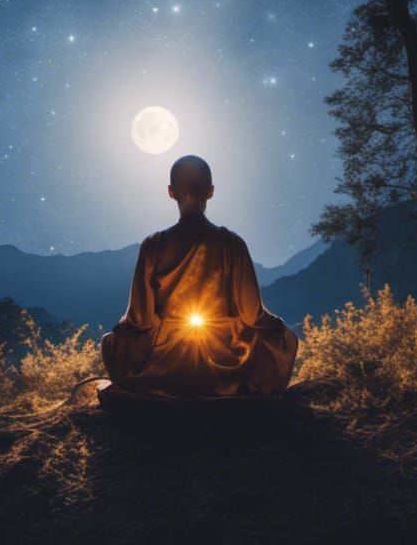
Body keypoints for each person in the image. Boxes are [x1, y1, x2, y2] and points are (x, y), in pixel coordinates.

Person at [100, 155, 299, 397]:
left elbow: (140, 319)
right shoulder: (232, 244)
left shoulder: (154, 245)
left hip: (163, 365)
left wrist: (120, 330)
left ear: (171, 192)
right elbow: (252, 314)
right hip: (224, 362)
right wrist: (279, 327)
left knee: (113, 342)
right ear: (211, 191)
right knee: (282, 338)